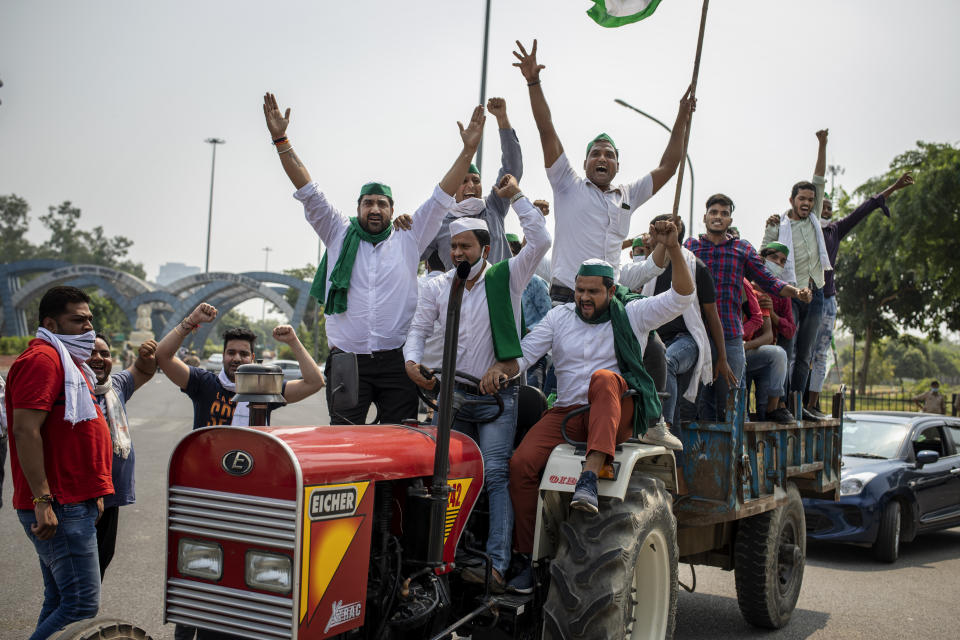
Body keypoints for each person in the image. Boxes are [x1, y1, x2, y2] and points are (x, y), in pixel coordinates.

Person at [481, 220, 694, 592]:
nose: (583, 298)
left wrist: (674, 250)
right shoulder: (559, 317)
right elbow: (526, 355)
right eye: (579, 290)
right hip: (568, 412)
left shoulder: (633, 314)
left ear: (611, 291)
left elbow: (682, 297)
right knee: (520, 465)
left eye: (593, 292)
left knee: (603, 378)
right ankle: (527, 558)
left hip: (615, 414)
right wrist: (500, 369)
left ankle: (591, 477)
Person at [263, 93, 485, 424]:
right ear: (358, 209)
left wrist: (468, 150)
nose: (375, 209)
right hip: (346, 362)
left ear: (393, 209)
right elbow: (307, 189)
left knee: (399, 443)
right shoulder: (337, 231)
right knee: (345, 443)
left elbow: (441, 196)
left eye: (382, 203)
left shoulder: (409, 237)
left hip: (397, 363)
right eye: (368, 203)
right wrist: (281, 140)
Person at [405, 174, 550, 592]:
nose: (457, 253)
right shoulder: (439, 286)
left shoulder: (509, 276)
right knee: (447, 476)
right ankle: (450, 555)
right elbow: (418, 327)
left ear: (485, 250)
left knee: (496, 474)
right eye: (453, 247)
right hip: (454, 397)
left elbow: (540, 240)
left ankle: (498, 562)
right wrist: (412, 360)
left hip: (498, 399)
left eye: (465, 246)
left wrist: (517, 197)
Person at [512, 39, 695, 302]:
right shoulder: (567, 183)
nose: (602, 158)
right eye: (595, 153)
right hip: (566, 302)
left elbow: (668, 166)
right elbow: (546, 128)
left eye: (609, 155)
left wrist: (682, 118)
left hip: (610, 305)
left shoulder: (628, 195)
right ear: (584, 163)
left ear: (617, 166)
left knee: (651, 346)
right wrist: (533, 83)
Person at [5, 286, 113, 639]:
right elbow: (25, 431)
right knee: (81, 604)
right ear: (51, 323)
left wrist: (94, 491)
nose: (88, 328)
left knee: (59, 599)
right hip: (59, 505)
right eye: (77, 320)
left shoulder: (68, 361)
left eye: (89, 320)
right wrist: (42, 500)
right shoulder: (44, 360)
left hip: (74, 500)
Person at [685, 194, 812, 421]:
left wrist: (797, 292)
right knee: (697, 404)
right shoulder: (690, 247)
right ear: (705, 218)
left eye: (724, 213)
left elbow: (769, 281)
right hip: (696, 335)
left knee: (733, 404)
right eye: (714, 212)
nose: (718, 217)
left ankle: (733, 455)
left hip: (731, 337)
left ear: (730, 221)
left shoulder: (741, 249)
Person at [803, 172, 915, 417]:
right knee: (800, 352)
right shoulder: (802, 228)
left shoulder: (835, 230)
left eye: (831, 208)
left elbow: (865, 208)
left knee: (820, 352)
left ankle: (812, 405)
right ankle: (792, 402)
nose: (828, 210)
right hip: (802, 296)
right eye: (825, 205)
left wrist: (894, 187)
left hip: (827, 298)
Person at [631, 215, 734, 437]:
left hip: (685, 340)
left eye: (657, 233)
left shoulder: (696, 267)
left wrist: (722, 358)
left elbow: (711, 316)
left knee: (665, 362)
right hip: (653, 337)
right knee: (672, 406)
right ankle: (673, 458)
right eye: (651, 232)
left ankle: (660, 425)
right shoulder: (643, 271)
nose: (650, 238)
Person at [156, 303, 324, 429]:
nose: (236, 358)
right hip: (208, 471)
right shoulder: (204, 383)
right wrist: (192, 320)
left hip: (252, 470)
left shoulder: (264, 389)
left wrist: (293, 341)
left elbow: (315, 382)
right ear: (223, 356)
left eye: (243, 354)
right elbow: (163, 356)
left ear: (252, 358)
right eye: (231, 352)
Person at [763, 130, 829, 404]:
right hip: (790, 294)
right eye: (802, 199)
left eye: (811, 200)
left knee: (806, 354)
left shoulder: (814, 220)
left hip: (816, 292)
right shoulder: (778, 225)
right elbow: (762, 259)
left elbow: (819, 178)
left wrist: (822, 144)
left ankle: (798, 405)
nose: (807, 203)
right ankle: (780, 406)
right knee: (786, 349)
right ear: (792, 200)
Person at [86, 333, 158, 579]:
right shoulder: (69, 389)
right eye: (91, 352)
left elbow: (144, 369)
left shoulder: (114, 386)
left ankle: (82, 615)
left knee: (99, 563)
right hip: (79, 497)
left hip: (110, 496)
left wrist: (146, 355)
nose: (98, 358)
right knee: (78, 575)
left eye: (104, 353)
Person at [422, 98, 523, 270]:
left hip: (497, 295)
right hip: (459, 296)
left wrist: (502, 119)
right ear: (453, 187)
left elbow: (512, 168)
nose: (471, 186)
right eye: (463, 181)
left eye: (476, 180)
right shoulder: (440, 222)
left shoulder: (492, 207)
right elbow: (411, 251)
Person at [742, 282, 792, 422]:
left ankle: (773, 408)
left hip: (751, 354)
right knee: (741, 414)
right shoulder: (723, 294)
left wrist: (744, 346)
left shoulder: (759, 298)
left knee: (779, 354)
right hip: (730, 355)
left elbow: (769, 335)